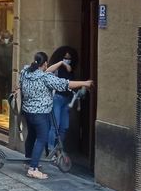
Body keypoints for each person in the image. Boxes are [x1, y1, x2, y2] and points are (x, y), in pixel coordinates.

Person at [17, 51, 92, 180]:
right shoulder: (45, 78)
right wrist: (85, 83)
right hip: (40, 114)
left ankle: (28, 161)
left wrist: (60, 63)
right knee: (41, 139)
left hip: (28, 112)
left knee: (31, 136)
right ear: (45, 63)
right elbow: (65, 84)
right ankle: (33, 168)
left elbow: (47, 71)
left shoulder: (26, 72)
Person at [48, 46, 79, 151]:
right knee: (54, 125)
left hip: (67, 100)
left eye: (69, 58)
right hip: (57, 98)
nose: (67, 60)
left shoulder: (71, 71)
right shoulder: (57, 69)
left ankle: (59, 149)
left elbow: (72, 85)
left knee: (64, 127)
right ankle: (50, 149)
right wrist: (62, 64)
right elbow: (48, 73)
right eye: (65, 58)